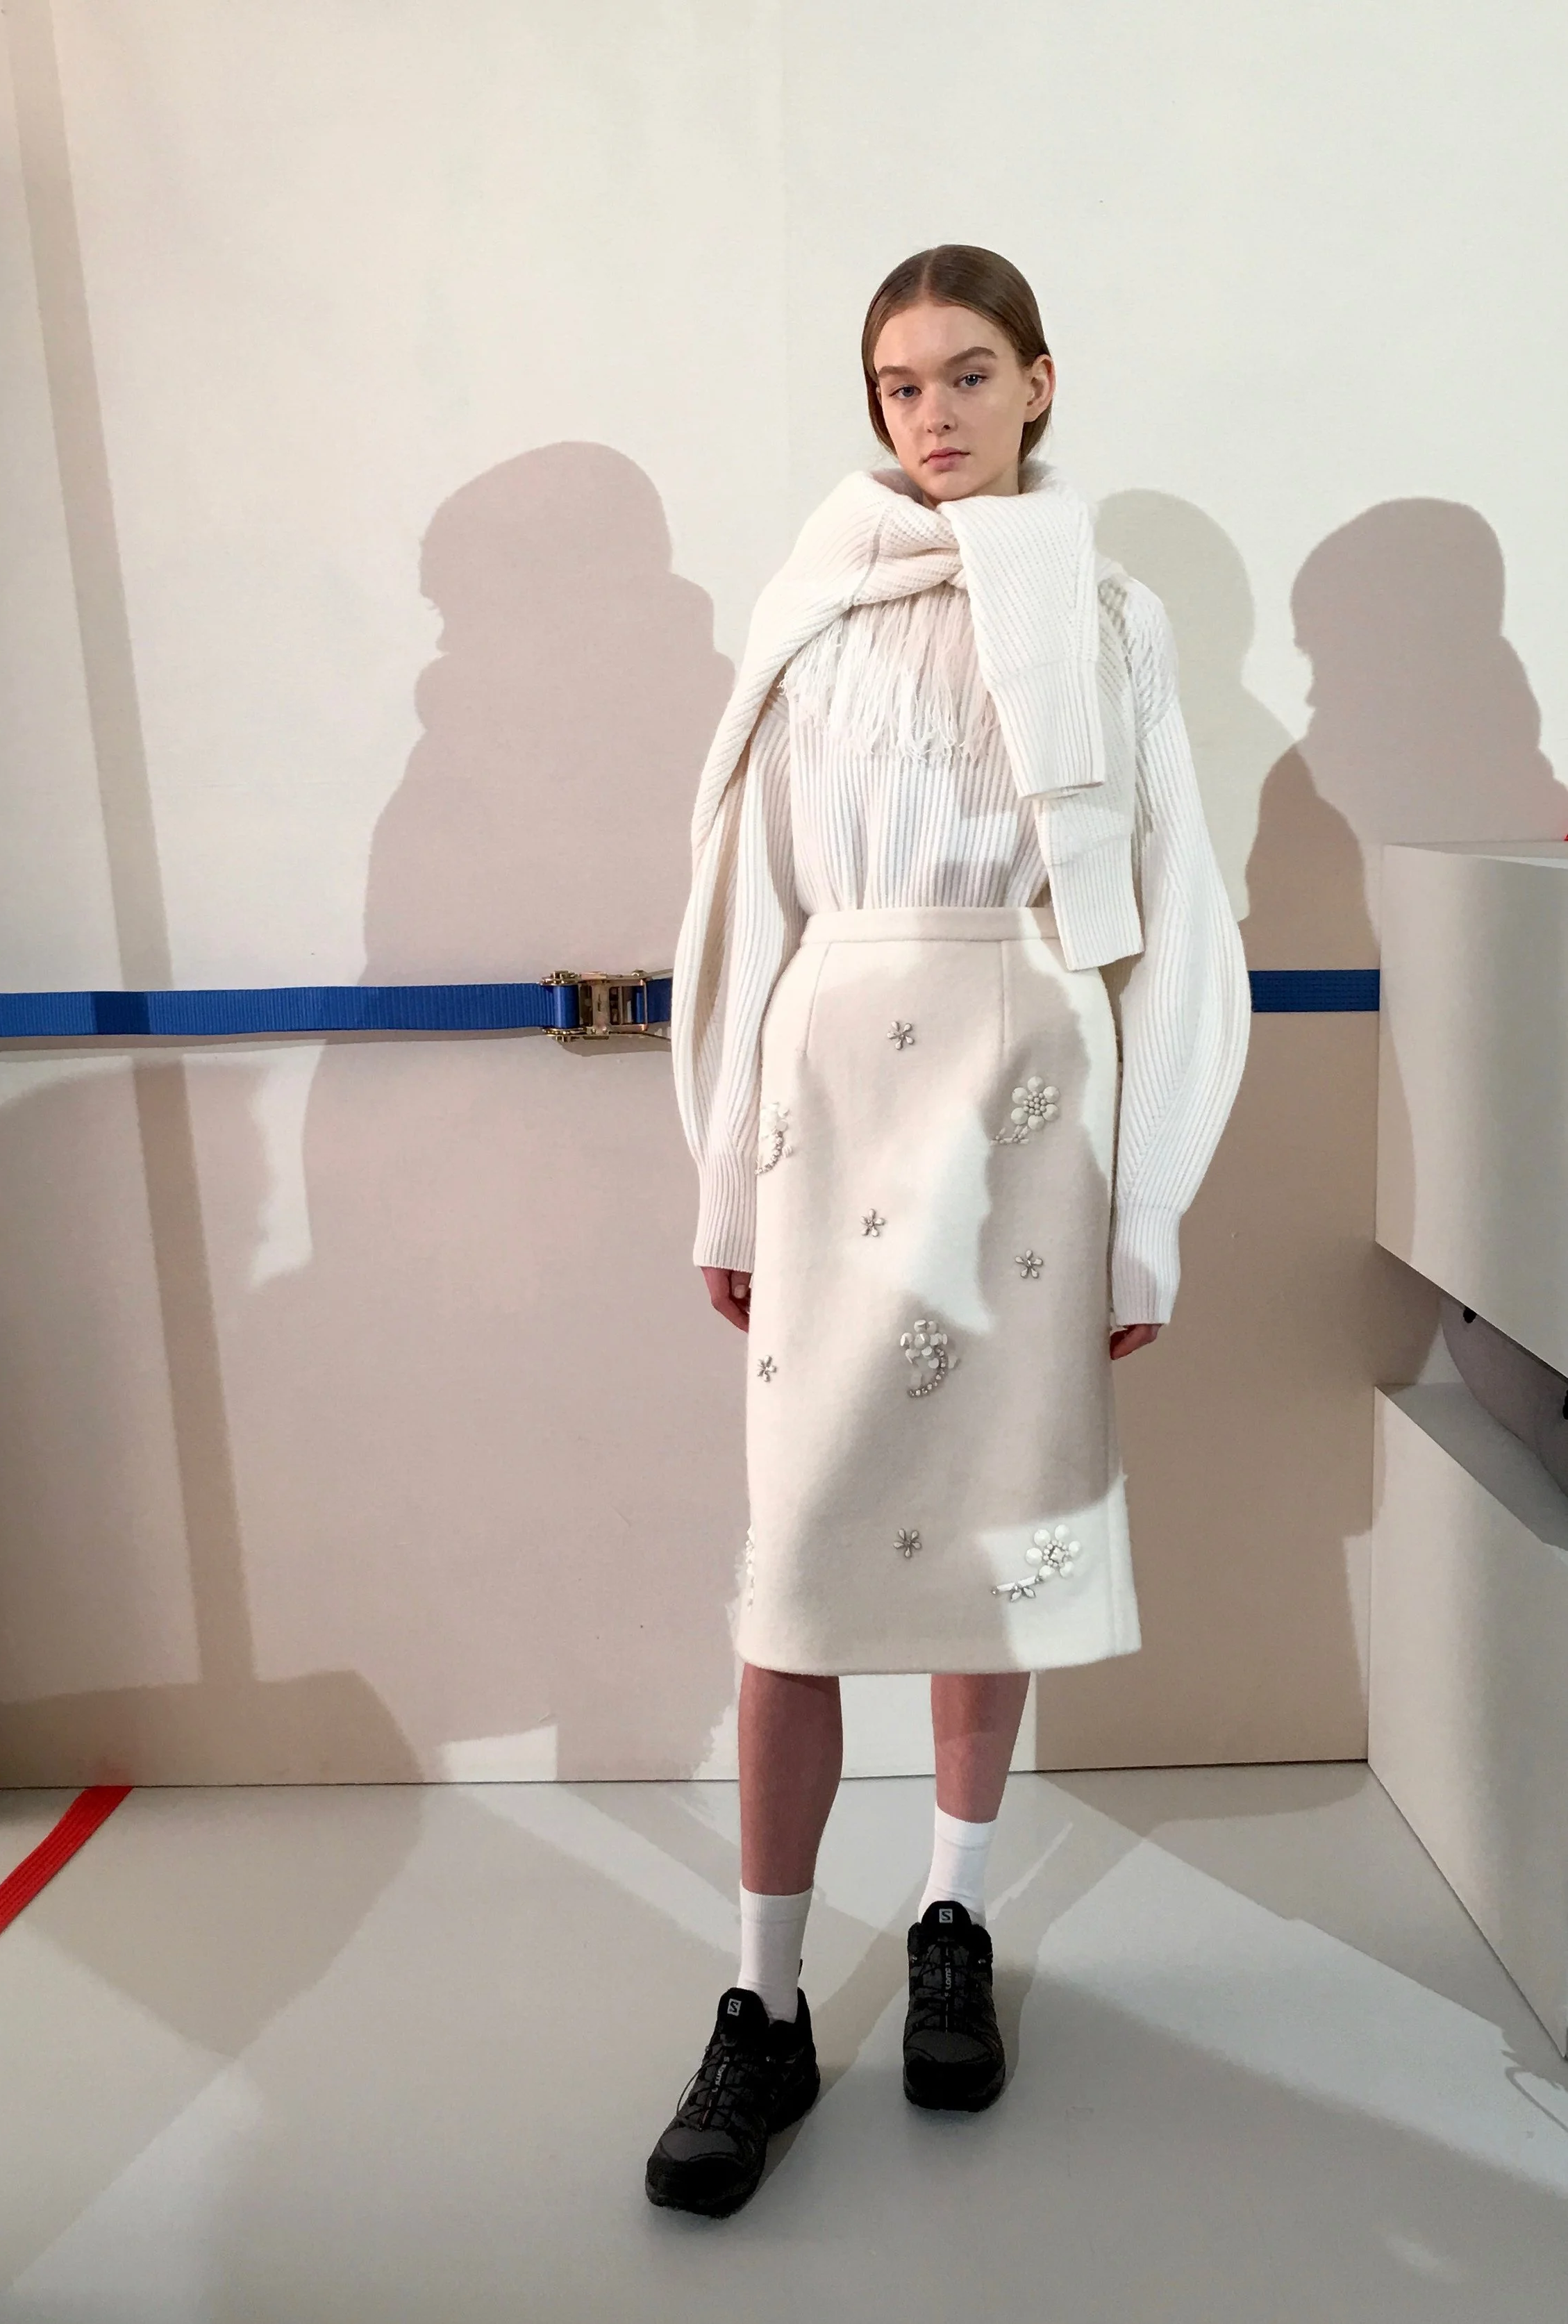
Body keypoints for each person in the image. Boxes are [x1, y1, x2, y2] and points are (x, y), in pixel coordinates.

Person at [645, 244, 1251, 2220]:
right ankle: (756, 2000)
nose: (931, 414)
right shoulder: (812, 611)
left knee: (1000, 1530)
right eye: (899, 384)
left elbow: (1177, 914)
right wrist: (722, 1173)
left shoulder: (1113, 616)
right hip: (834, 1099)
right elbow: (746, 907)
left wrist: (1150, 1202)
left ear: (1038, 384)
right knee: (797, 1562)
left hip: (1034, 1097)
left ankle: (952, 1926)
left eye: (967, 375)